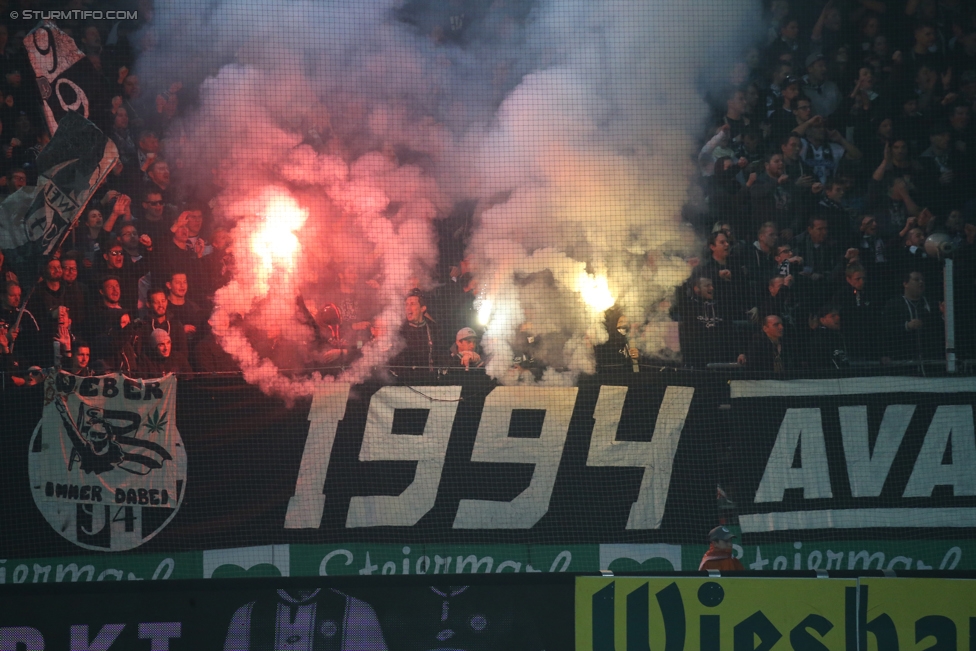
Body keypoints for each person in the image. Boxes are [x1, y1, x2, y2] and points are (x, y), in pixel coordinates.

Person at [394, 289, 443, 371]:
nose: (408, 308)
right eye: (406, 304)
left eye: (412, 304)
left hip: (428, 380)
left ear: (422, 308)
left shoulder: (433, 329)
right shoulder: (399, 330)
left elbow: (441, 355)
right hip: (405, 380)